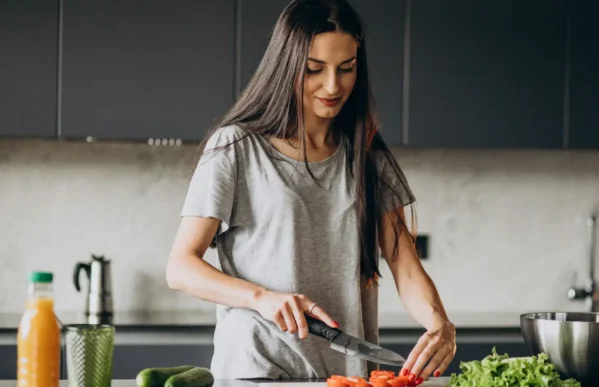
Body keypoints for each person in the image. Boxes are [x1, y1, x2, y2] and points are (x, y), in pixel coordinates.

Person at [165, 0, 455, 382]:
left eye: (346, 68)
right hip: (258, 373)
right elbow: (181, 267)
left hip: (346, 378)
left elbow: (404, 264)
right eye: (314, 70)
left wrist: (440, 324)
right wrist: (261, 298)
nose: (333, 86)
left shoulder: (367, 156)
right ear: (286, 66)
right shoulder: (236, 148)